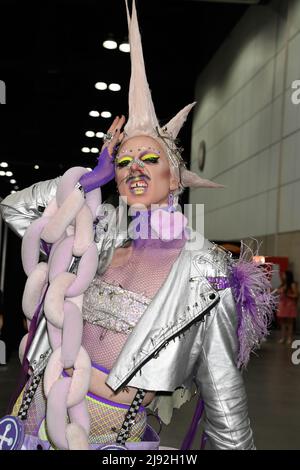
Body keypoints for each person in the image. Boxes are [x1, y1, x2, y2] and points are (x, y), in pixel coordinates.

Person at [0, 0, 275, 451]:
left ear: (176, 176)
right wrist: (90, 180)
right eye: (124, 161)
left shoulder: (207, 273)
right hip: (32, 414)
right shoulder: (100, 233)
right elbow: (17, 209)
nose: (134, 168)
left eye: (150, 158)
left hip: (115, 437)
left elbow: (225, 402)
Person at [277, 270, 299, 345]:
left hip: (289, 305)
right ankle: (283, 337)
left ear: (288, 276)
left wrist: (287, 295)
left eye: (284, 275)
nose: (283, 276)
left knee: (290, 323)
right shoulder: (283, 284)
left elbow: (296, 295)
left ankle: (290, 338)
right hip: (282, 305)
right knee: (283, 323)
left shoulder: (292, 284)